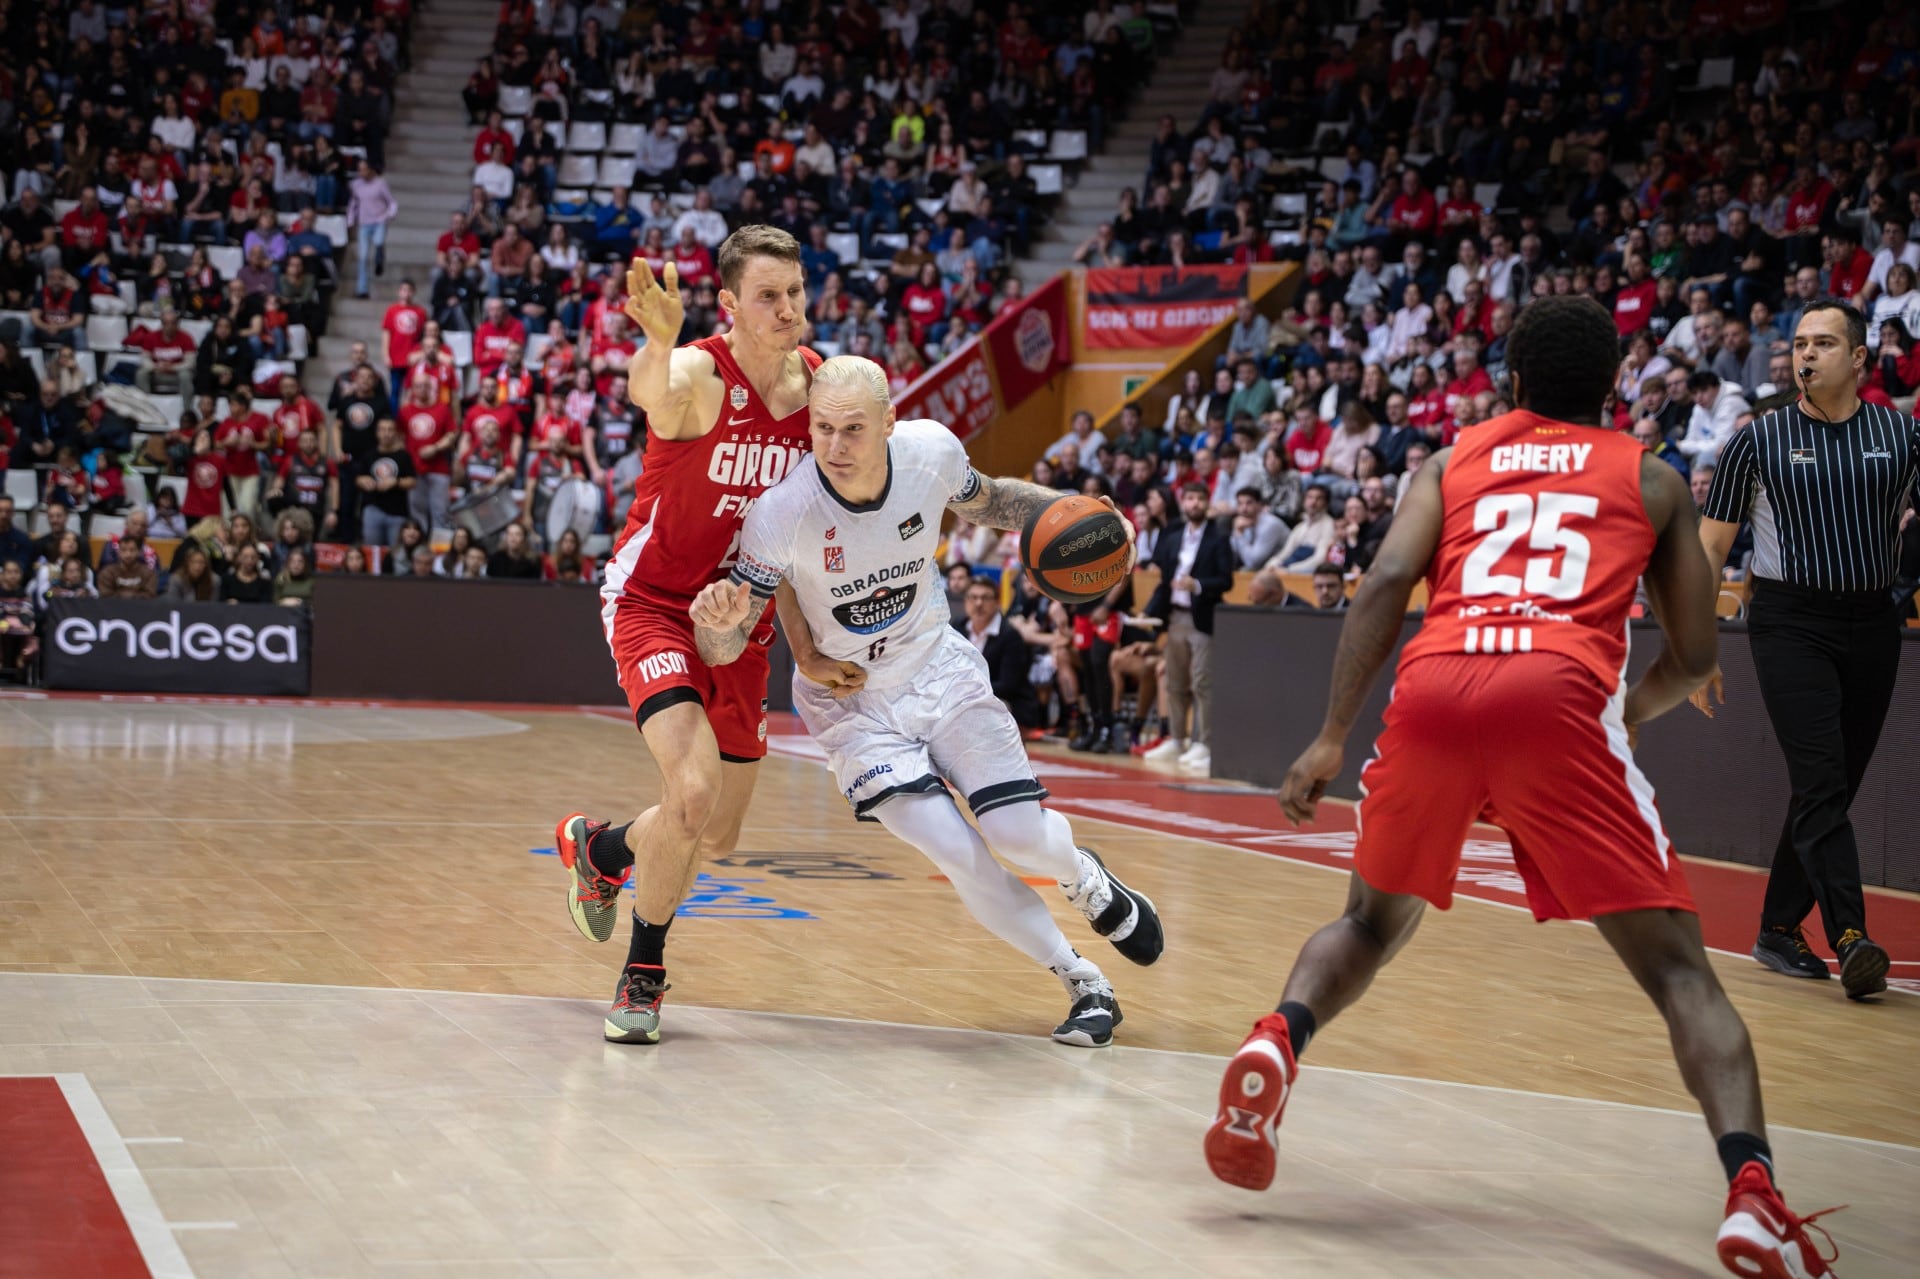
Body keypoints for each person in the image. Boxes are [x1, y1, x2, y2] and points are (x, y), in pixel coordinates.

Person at [1200, 295, 1843, 1279]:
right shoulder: (1654, 477)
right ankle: (1751, 1192)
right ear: (1615, 386)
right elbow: (1695, 653)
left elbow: (1379, 586)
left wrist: (1330, 735)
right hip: (1559, 695)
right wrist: (1619, 714)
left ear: (1511, 383)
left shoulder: (1451, 458)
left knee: (1370, 923)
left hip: (1439, 686)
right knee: (1678, 973)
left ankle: (1279, 1038)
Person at [694, 357, 1164, 1045]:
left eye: (854, 428)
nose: (835, 446)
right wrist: (716, 629)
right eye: (822, 428)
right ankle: (1082, 980)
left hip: (939, 669)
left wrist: (1086, 518)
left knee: (1017, 836)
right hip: (852, 707)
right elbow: (728, 646)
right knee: (958, 853)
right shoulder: (781, 511)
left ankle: (1084, 877)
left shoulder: (931, 453)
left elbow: (998, 501)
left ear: (889, 422)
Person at [552, 226, 824, 1045]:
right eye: (768, 296)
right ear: (731, 306)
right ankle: (644, 973)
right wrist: (660, 339)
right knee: (693, 793)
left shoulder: (821, 391)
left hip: (746, 618)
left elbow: (809, 537)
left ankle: (600, 848)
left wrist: (805, 647)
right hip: (654, 601)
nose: (787, 310)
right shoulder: (705, 370)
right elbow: (658, 392)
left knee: (721, 830)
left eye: (795, 293)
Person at [1694, 301, 1918, 1001]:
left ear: (1859, 359)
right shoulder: (1754, 442)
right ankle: (1851, 934)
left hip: (1874, 619)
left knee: (1835, 782)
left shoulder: (1901, 434)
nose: (1806, 354)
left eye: (1824, 343)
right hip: (1789, 621)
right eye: (1798, 343)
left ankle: (1778, 926)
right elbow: (1711, 548)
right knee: (1822, 778)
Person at [1138, 480, 1235, 775]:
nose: (1194, 504)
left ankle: (1203, 742)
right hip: (1176, 617)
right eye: (1189, 498)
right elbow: (1164, 583)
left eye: (1199, 499)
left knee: (1201, 681)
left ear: (1206, 503)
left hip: (1201, 617)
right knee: (1174, 682)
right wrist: (1149, 613)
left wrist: (1198, 585)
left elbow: (1226, 581)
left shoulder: (1218, 538)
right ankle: (1177, 739)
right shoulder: (1173, 538)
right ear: (1182, 502)